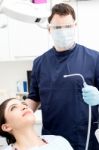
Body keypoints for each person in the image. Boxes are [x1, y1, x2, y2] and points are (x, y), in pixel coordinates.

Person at [26, 3, 99, 150]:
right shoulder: (39, 63)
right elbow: (34, 97)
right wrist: (16, 112)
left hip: (84, 137)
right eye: (58, 28)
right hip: (51, 139)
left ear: (75, 26)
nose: (63, 31)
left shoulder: (94, 58)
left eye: (67, 26)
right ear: (49, 29)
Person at [0, 98, 73, 150]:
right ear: (6, 127)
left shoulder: (59, 142)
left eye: (24, 104)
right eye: (13, 107)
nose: (24, 106)